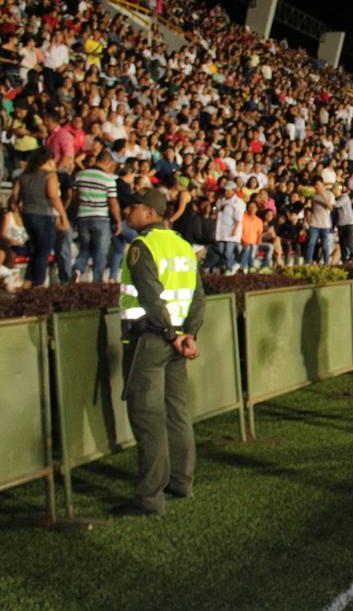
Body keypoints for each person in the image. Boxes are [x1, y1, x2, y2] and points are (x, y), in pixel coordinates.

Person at [113, 188, 205, 517]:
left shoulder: (142, 246)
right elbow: (198, 298)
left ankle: (149, 498)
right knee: (177, 414)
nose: (127, 212)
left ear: (149, 213)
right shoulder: (183, 245)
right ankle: (181, 481)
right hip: (177, 343)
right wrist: (187, 335)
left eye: (133, 207)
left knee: (148, 418)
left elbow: (151, 298)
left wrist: (169, 334)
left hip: (149, 342)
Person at [10, 149, 70, 288]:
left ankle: (28, 282)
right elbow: (53, 196)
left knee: (35, 251)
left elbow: (15, 197)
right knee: (43, 252)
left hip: (27, 216)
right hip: (43, 215)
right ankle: (38, 286)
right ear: (48, 160)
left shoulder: (23, 176)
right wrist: (63, 215)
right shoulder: (50, 176)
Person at [71, 152, 121, 282]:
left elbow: (74, 198)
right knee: (100, 251)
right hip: (101, 218)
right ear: (108, 162)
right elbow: (113, 202)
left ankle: (77, 269)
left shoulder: (81, 175)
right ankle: (97, 281)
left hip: (83, 217)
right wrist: (118, 221)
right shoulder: (108, 179)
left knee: (85, 248)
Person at [214, 181, 244, 273]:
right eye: (225, 190)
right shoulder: (220, 200)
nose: (226, 192)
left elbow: (238, 217)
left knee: (228, 252)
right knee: (221, 250)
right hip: (221, 230)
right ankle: (231, 265)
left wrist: (235, 229)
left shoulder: (239, 202)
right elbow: (217, 210)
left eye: (228, 191)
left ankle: (230, 267)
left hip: (231, 230)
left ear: (233, 191)